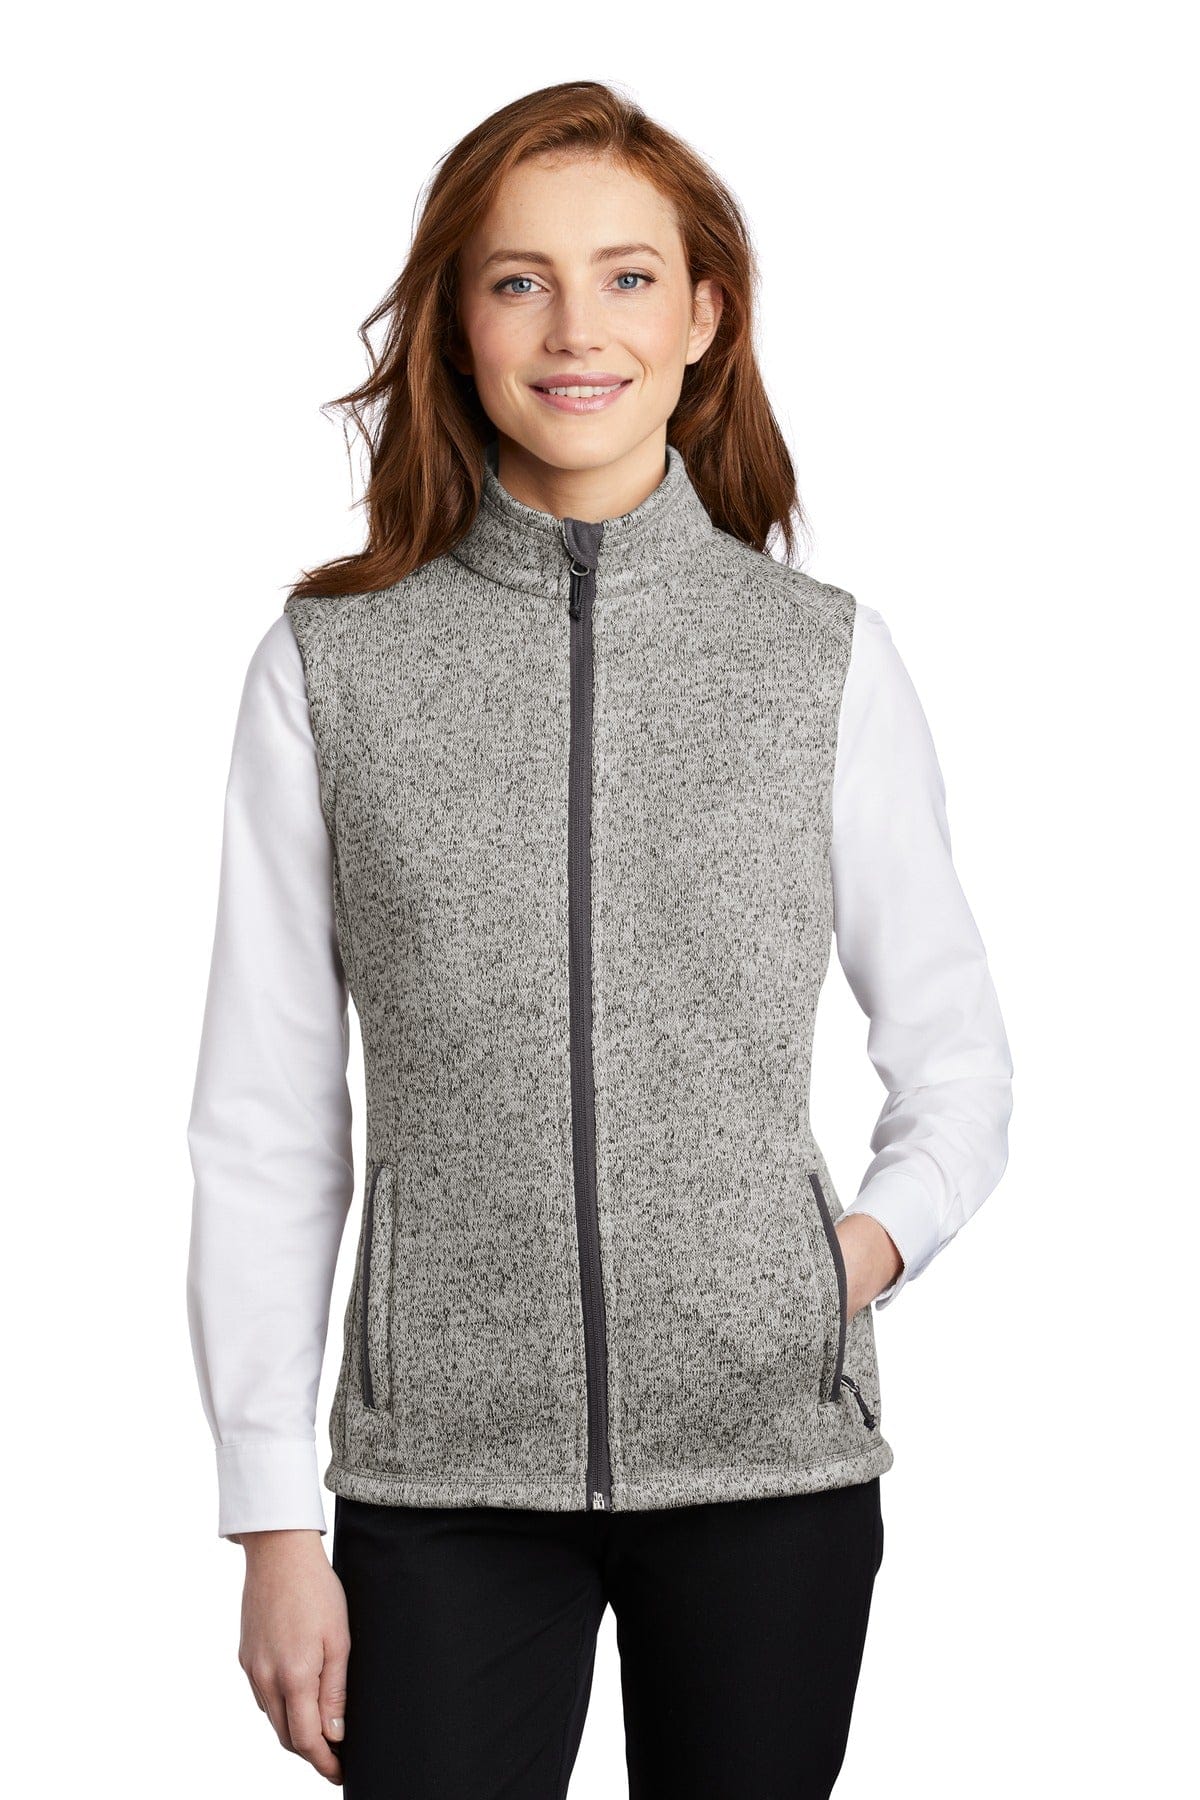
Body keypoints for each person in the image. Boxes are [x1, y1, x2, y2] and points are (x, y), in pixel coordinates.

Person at [186, 80, 1013, 1800]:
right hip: (440, 1478)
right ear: (455, 320)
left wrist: (852, 1258)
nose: (579, 331)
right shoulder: (335, 667)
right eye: (521, 281)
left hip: (770, 1462)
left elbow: (955, 1056)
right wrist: (269, 1514)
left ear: (703, 316)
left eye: (628, 278)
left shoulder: (817, 659)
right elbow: (266, 1114)